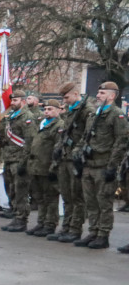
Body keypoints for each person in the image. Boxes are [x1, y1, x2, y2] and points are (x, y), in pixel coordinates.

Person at [74, 81, 128, 249]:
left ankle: (103, 235)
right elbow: (86, 137)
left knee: (104, 202)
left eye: (102, 93)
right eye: (98, 93)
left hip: (104, 165)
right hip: (89, 164)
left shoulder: (116, 115)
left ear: (112, 96)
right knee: (91, 202)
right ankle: (93, 231)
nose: (98, 96)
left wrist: (113, 166)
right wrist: (78, 153)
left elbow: (121, 141)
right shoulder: (94, 115)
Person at [51, 82, 96, 242]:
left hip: (75, 159)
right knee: (67, 195)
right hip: (65, 157)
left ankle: (75, 229)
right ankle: (66, 227)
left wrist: (77, 152)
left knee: (77, 197)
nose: (65, 101)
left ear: (76, 94)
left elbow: (87, 135)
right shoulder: (71, 111)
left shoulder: (87, 111)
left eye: (67, 97)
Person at [0, 90, 38, 233]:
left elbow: (30, 141)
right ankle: (16, 216)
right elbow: (11, 137)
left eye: (15, 101)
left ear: (22, 101)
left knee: (20, 191)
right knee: (12, 190)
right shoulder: (13, 117)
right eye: (12, 101)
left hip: (20, 160)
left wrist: (24, 162)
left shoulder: (27, 117)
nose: (12, 103)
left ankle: (22, 219)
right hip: (10, 158)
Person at [26, 100, 64, 237]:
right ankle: (41, 222)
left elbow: (58, 148)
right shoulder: (42, 124)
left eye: (50, 109)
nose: (46, 111)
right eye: (45, 109)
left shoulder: (59, 125)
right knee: (40, 197)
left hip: (47, 167)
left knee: (50, 198)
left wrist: (54, 167)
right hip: (36, 166)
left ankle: (50, 224)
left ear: (58, 110)